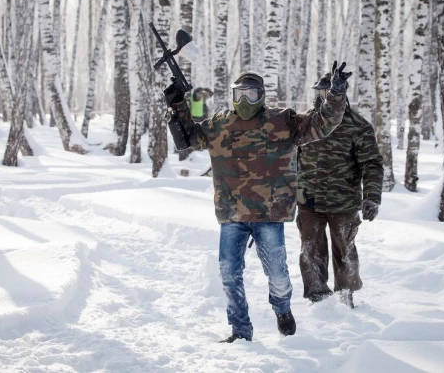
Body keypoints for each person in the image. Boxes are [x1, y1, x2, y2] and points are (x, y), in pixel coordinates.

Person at [164, 62, 351, 343]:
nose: (244, 101)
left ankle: (282, 308)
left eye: (250, 95)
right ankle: (240, 331)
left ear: (261, 95)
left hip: (269, 214)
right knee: (229, 274)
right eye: (239, 95)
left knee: (277, 275)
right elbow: (188, 136)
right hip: (232, 214)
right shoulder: (220, 124)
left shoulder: (282, 121)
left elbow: (321, 124)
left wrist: (335, 95)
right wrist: (178, 102)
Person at [296, 72, 383, 308]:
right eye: (320, 92)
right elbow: (289, 160)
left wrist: (372, 197)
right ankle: (318, 300)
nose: (324, 98)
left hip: (343, 203)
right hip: (309, 201)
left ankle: (346, 297)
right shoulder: (305, 123)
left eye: (329, 92)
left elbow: (372, 164)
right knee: (310, 251)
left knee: (345, 251)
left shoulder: (358, 126)